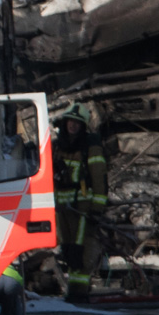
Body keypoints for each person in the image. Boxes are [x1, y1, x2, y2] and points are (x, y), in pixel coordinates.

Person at [52, 102, 108, 298]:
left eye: (77, 123)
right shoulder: (58, 146)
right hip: (62, 207)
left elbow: (99, 179)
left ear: (83, 126)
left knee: (80, 251)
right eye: (70, 122)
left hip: (81, 207)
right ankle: (73, 291)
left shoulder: (90, 147)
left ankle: (79, 293)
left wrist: (96, 210)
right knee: (68, 250)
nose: (72, 126)